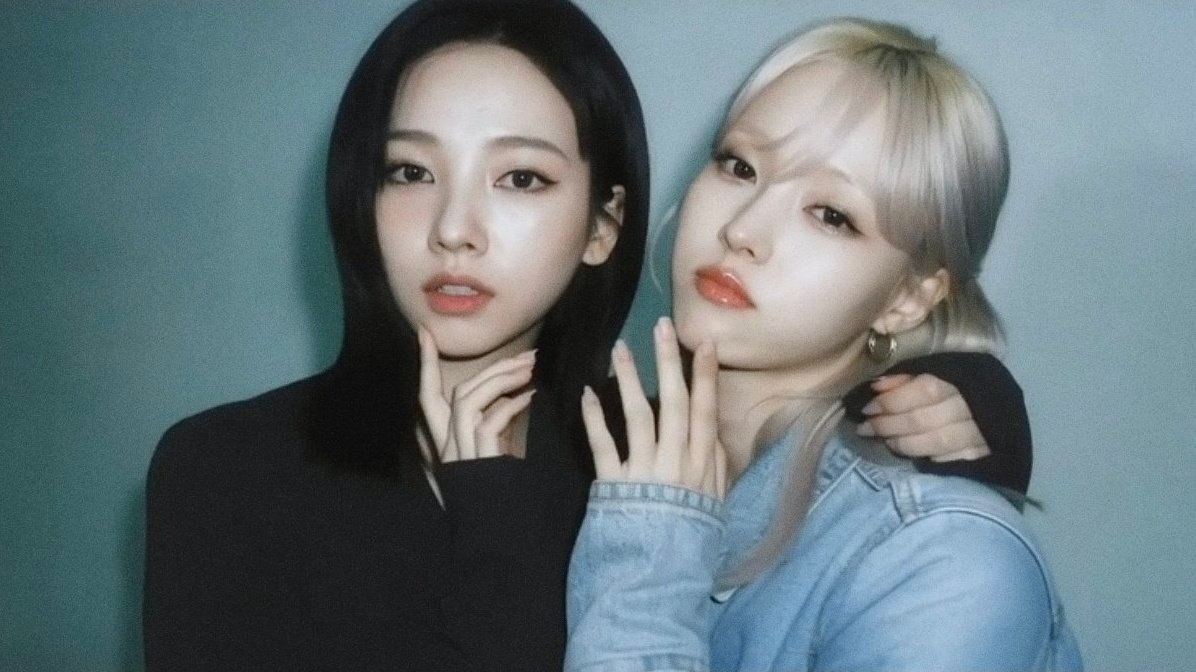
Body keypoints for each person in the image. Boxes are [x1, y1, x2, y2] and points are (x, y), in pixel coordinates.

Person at [144, 2, 1035, 670]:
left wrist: (965, 403)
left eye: (521, 178)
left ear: (604, 226)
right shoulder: (225, 467)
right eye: (410, 171)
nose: (454, 229)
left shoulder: (644, 467)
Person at [566, 18, 1083, 672]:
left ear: (909, 298)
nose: (743, 229)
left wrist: (648, 565)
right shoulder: (595, 451)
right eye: (739, 166)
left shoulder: (942, 556)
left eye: (831, 215)